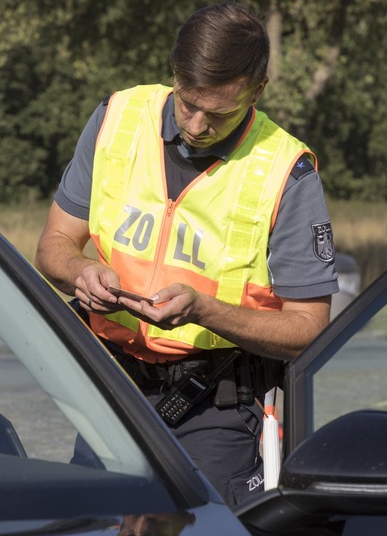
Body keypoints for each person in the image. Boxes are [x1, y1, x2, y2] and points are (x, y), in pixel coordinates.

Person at [35, 2, 339, 505]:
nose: (196, 125)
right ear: (174, 73)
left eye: (219, 113)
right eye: (186, 102)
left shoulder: (286, 170)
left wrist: (204, 310)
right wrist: (80, 271)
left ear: (257, 90)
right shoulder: (117, 119)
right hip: (111, 388)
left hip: (215, 405)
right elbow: (53, 245)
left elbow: (308, 330)